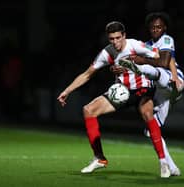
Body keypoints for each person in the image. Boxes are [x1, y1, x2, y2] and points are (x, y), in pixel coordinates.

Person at [57, 21, 171, 178]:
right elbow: (87, 74)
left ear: (124, 35)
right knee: (88, 110)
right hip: (122, 92)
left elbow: (160, 57)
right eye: (112, 39)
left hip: (143, 89)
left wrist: (137, 61)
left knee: (147, 113)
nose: (115, 42)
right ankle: (99, 158)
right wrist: (67, 90)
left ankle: (163, 162)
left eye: (118, 38)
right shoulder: (107, 52)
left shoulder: (135, 45)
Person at [111, 12, 184, 176]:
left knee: (157, 70)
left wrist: (140, 61)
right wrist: (122, 68)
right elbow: (134, 60)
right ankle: (171, 167)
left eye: (158, 27)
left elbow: (167, 61)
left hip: (173, 81)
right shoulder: (146, 45)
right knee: (152, 130)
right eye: (152, 27)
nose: (155, 30)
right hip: (160, 90)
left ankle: (167, 87)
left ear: (164, 27)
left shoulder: (167, 39)